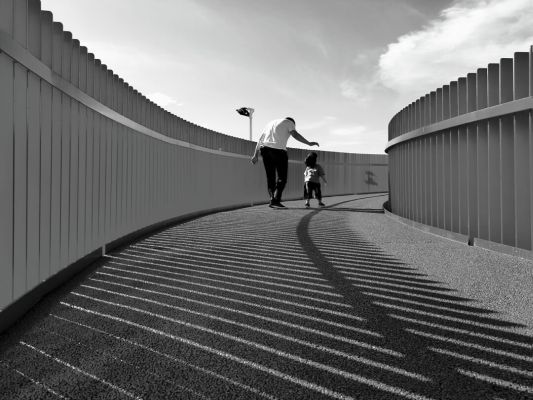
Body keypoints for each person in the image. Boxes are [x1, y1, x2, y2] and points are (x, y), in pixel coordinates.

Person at [251, 117, 319, 208]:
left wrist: (255, 155)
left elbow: (260, 140)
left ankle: (272, 199)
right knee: (282, 177)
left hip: (265, 150)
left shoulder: (270, 123)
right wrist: (309, 143)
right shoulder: (289, 122)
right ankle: (276, 199)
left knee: (270, 177)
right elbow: (295, 134)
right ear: (293, 123)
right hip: (279, 152)